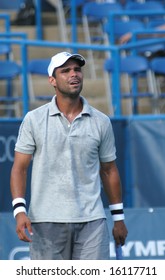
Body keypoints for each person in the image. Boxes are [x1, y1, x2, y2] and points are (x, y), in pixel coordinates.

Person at [10, 51, 128, 260]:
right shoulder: (33, 120)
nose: (74, 74)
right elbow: (20, 168)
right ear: (52, 80)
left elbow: (109, 170)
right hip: (45, 223)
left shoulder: (101, 121)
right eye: (65, 71)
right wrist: (19, 211)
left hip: (93, 222)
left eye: (77, 69)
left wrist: (118, 218)